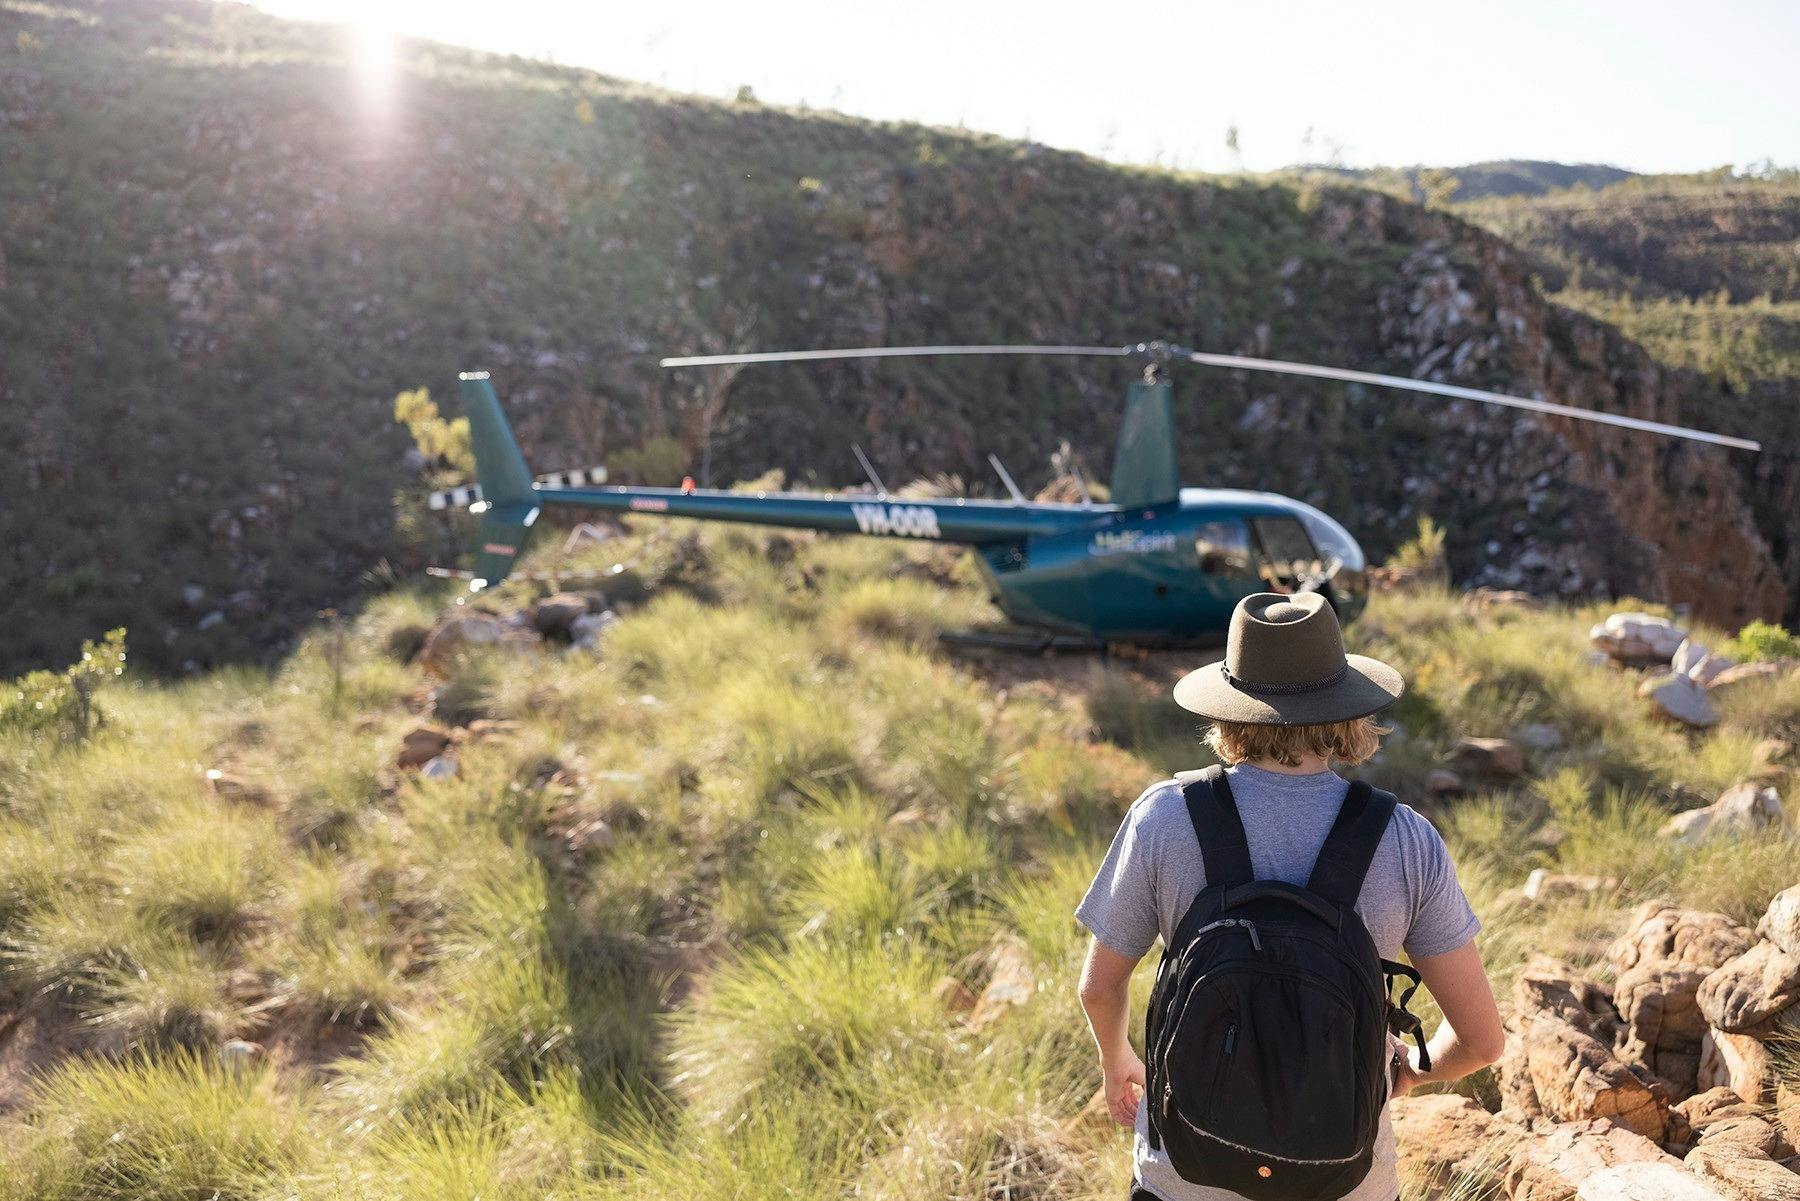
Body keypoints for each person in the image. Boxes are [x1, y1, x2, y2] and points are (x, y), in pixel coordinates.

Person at [1074, 592, 1504, 1201]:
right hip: (1347, 1179)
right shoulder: (1404, 839)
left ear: (1228, 707)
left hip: (1184, 1176)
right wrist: (1399, 1075)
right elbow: (1483, 1041)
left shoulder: (1164, 819)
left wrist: (1116, 1062)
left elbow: (1098, 987)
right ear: (1345, 706)